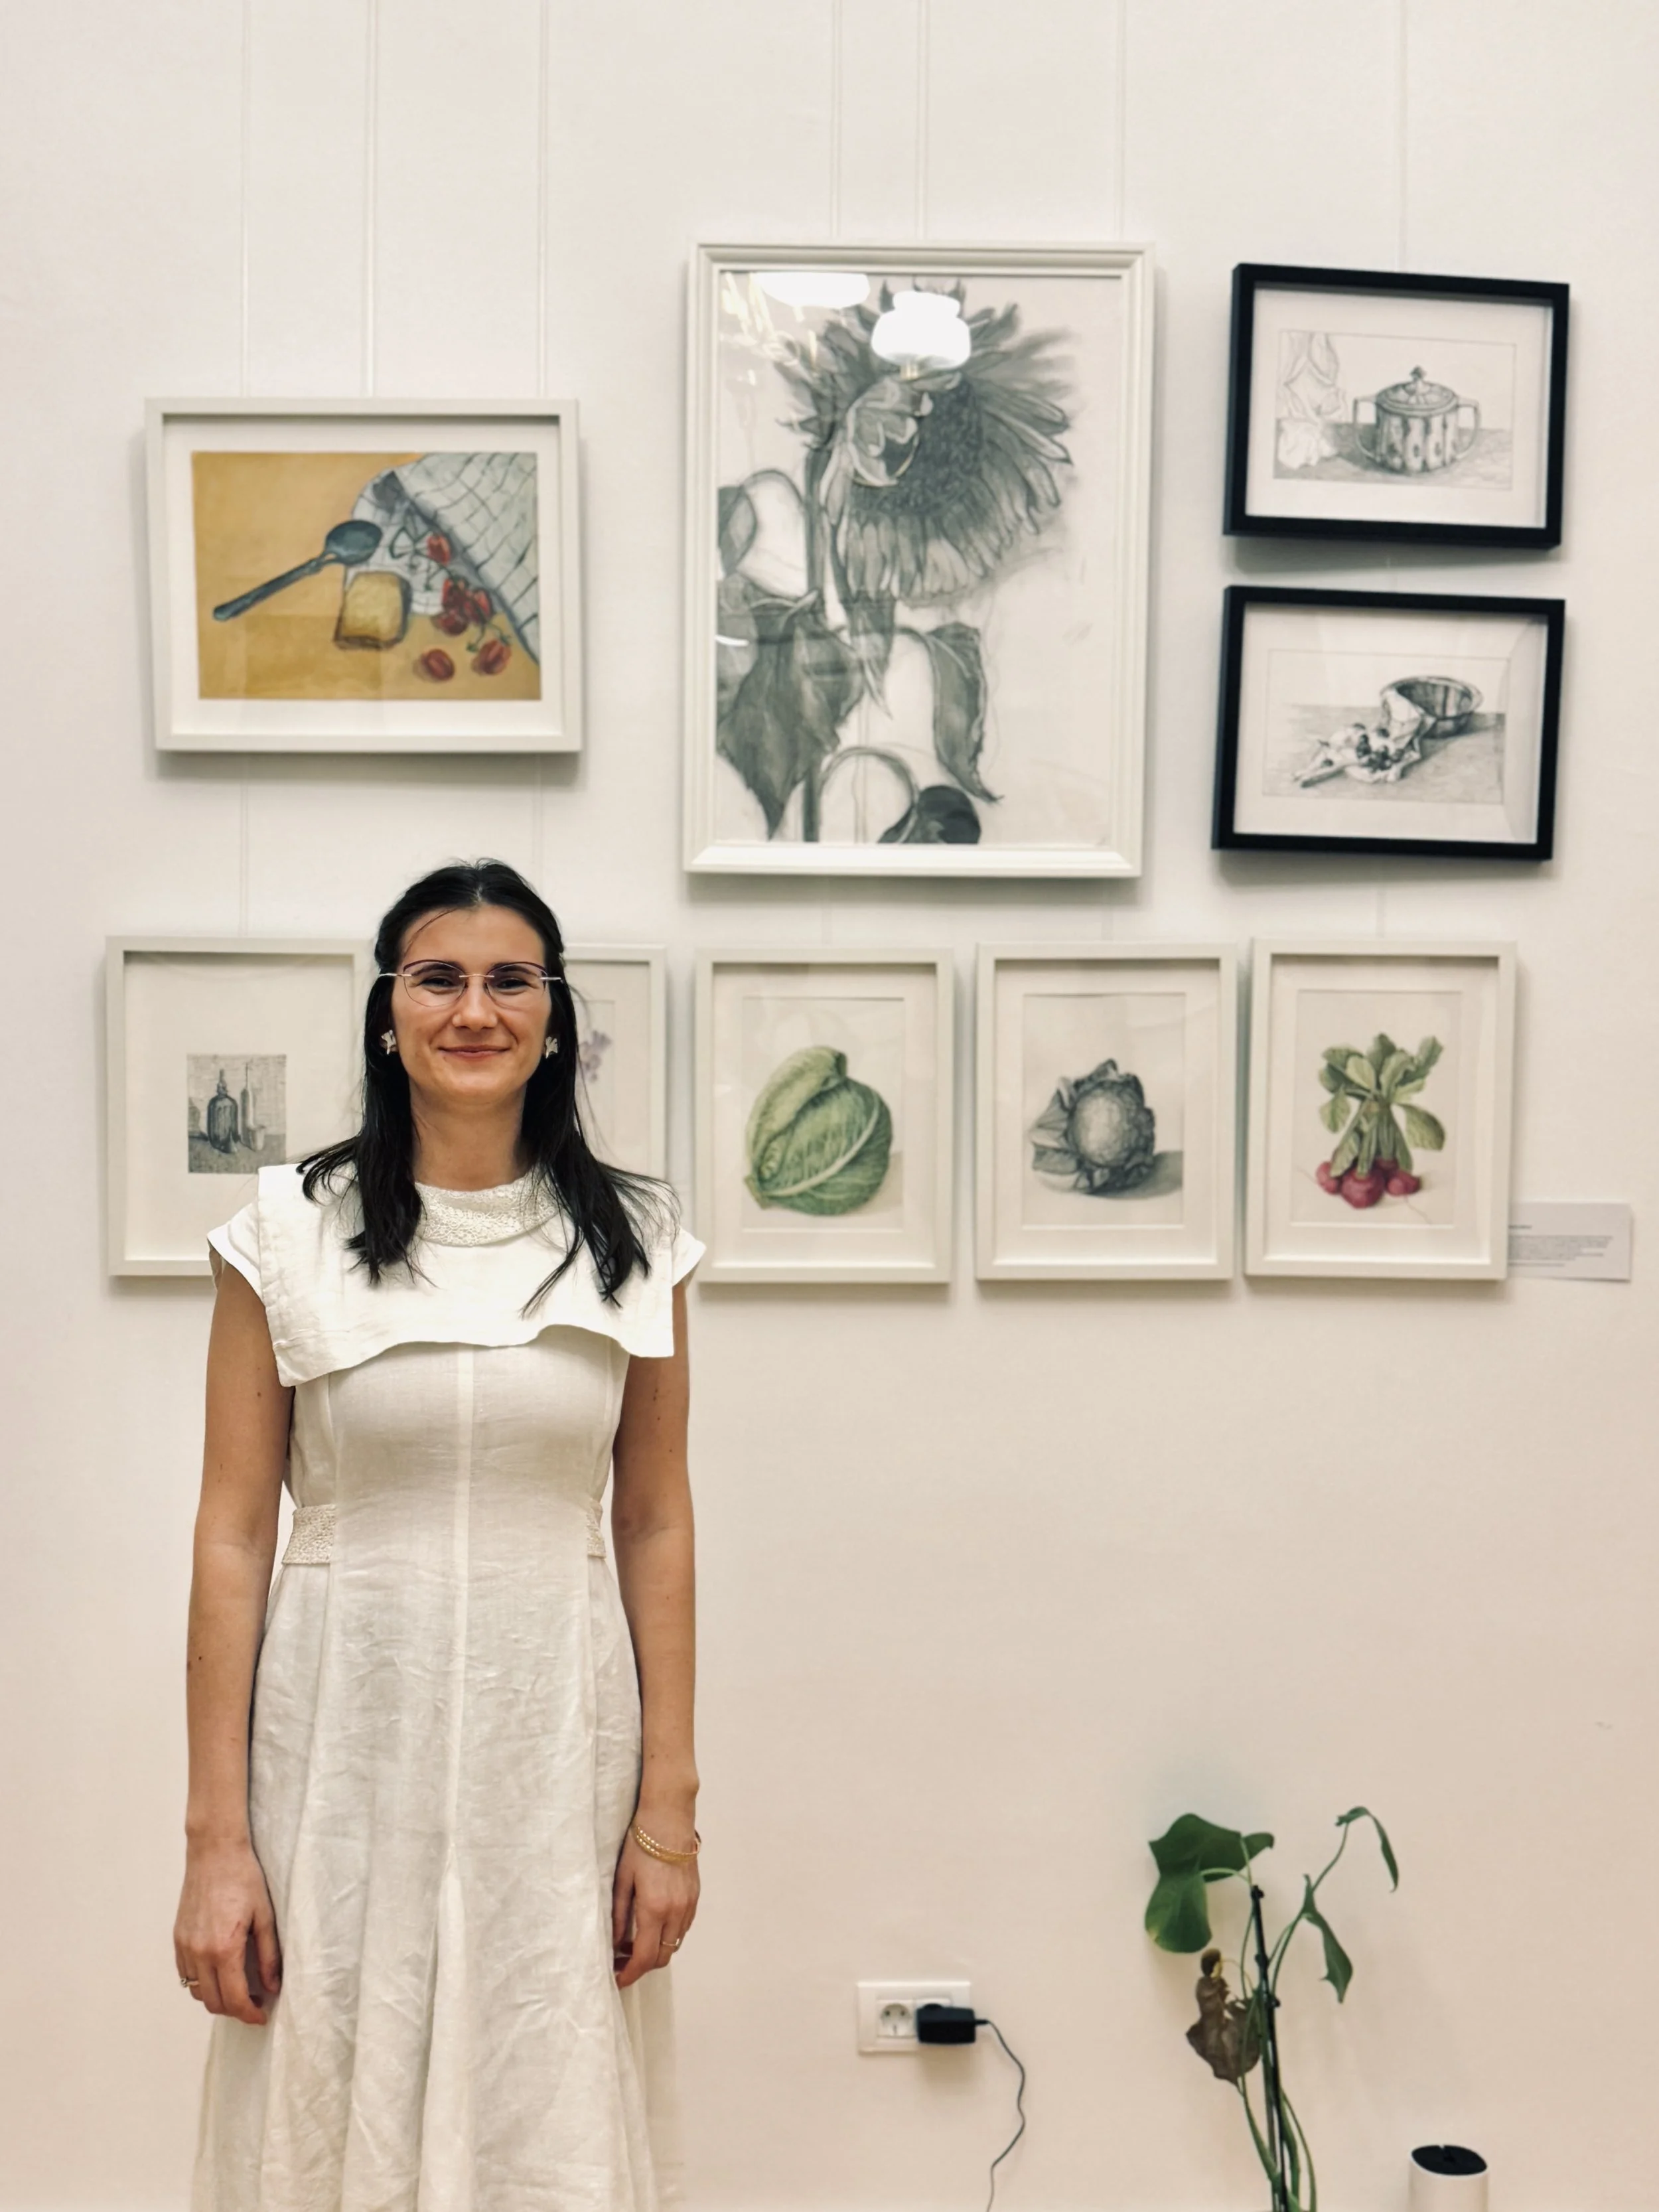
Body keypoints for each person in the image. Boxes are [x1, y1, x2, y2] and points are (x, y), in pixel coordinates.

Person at [173, 859, 701, 2211]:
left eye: (509, 979)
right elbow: (234, 1533)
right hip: (344, 1735)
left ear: (555, 1014)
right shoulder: (285, 1231)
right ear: (387, 1011)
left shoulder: (633, 1239)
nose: (475, 1009)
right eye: (439, 977)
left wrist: (669, 1818)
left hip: (555, 1737)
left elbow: (650, 1518)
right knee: (331, 2057)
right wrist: (216, 1842)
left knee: (544, 2077)